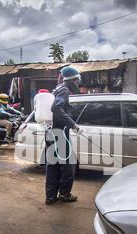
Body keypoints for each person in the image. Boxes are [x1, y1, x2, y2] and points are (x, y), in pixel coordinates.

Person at [45, 66, 82, 205]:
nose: (78, 84)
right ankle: (65, 194)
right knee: (69, 165)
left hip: (51, 132)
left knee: (53, 165)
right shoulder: (65, 90)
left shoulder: (57, 89)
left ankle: (50, 197)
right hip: (59, 134)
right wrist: (73, 124)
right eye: (77, 81)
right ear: (72, 80)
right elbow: (56, 108)